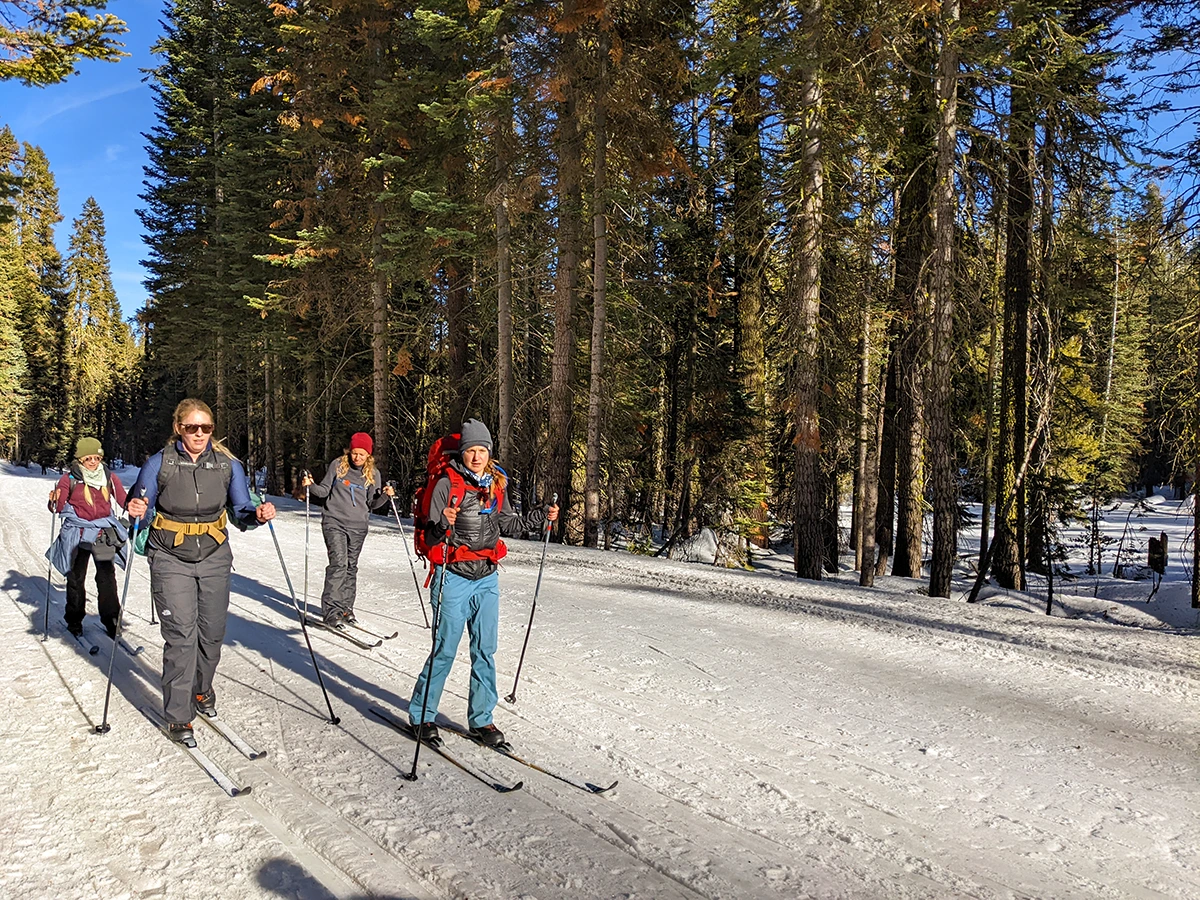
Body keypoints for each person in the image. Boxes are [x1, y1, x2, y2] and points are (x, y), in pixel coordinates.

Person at [125, 399, 276, 746]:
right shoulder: (159, 463)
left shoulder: (226, 465)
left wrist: (259, 515)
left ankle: (200, 688)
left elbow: (241, 510)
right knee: (181, 636)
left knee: (212, 634)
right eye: (192, 427)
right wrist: (135, 510)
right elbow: (140, 508)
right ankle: (178, 715)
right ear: (178, 427)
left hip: (214, 555)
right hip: (169, 556)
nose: (199, 434)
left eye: (205, 428)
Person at [409, 418, 558, 747]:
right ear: (462, 452)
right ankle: (421, 715)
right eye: (470, 450)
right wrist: (442, 526)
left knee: (485, 651)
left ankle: (482, 720)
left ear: (489, 452)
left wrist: (541, 516)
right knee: (445, 650)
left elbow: (509, 523)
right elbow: (429, 538)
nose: (476, 456)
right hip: (453, 578)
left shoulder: (496, 483)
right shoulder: (446, 483)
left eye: (482, 450)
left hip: (487, 577)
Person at [300, 432, 395, 628]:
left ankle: (345, 608)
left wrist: (386, 496)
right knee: (339, 564)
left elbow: (372, 503)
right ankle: (331, 611)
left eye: (361, 454)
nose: (357, 458)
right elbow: (324, 491)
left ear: (368, 455)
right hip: (334, 522)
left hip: (358, 526)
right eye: (354, 453)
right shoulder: (338, 465)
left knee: (351, 567)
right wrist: (311, 486)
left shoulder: (373, 474)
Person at [47, 437, 129, 639]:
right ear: (80, 459)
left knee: (107, 579)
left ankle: (112, 621)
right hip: (78, 534)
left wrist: (137, 503)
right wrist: (54, 500)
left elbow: (123, 500)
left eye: (97, 457)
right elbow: (58, 507)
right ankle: (74, 620)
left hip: (102, 534)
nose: (93, 462)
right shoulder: (69, 479)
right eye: (88, 458)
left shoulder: (109, 477)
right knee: (76, 578)